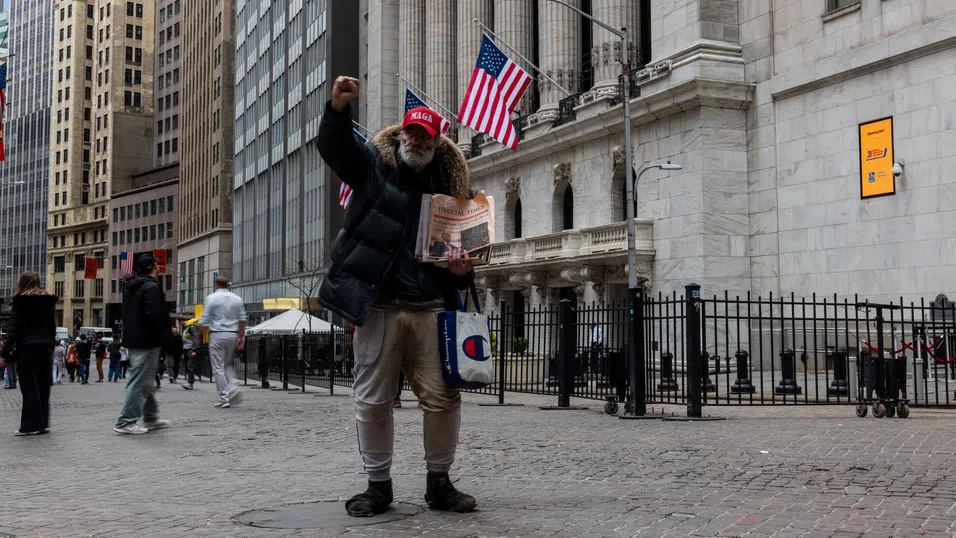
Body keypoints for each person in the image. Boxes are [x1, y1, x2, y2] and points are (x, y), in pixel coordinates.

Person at [317, 76, 478, 517]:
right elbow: (336, 150)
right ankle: (377, 486)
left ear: (436, 141)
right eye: (411, 132)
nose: (416, 140)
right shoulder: (372, 165)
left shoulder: (453, 189)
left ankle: (439, 483)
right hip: (378, 306)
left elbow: (463, 258)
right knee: (372, 400)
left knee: (444, 399)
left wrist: (463, 273)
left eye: (425, 135)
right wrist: (336, 110)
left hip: (431, 309)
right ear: (400, 133)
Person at [113, 253, 171, 435]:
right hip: (148, 340)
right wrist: (163, 337)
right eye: (157, 263)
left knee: (145, 380)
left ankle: (151, 416)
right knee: (139, 381)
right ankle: (126, 421)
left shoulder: (132, 287)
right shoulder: (152, 287)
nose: (159, 265)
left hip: (135, 339)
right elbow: (155, 315)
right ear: (153, 266)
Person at [0, 271, 57, 435]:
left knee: (29, 387)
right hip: (45, 349)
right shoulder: (47, 302)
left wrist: (3, 353)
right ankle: (42, 424)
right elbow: (52, 328)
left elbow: (13, 330)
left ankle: (29, 426)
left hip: (28, 348)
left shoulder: (21, 302)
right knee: (43, 387)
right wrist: (50, 346)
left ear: (22, 283)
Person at [197, 276, 247, 408]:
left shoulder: (211, 298)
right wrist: (241, 337)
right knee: (227, 364)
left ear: (216, 285)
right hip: (232, 334)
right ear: (228, 285)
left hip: (217, 334)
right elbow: (242, 320)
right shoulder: (237, 299)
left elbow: (204, 320)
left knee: (218, 368)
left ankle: (225, 398)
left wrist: (199, 335)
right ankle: (233, 386)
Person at [181, 323, 199, 390]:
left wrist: (195, 350)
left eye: (181, 320)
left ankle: (190, 383)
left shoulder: (191, 327)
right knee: (187, 366)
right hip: (186, 349)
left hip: (191, 349)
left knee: (190, 365)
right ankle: (190, 381)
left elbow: (195, 338)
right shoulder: (185, 328)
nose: (180, 322)